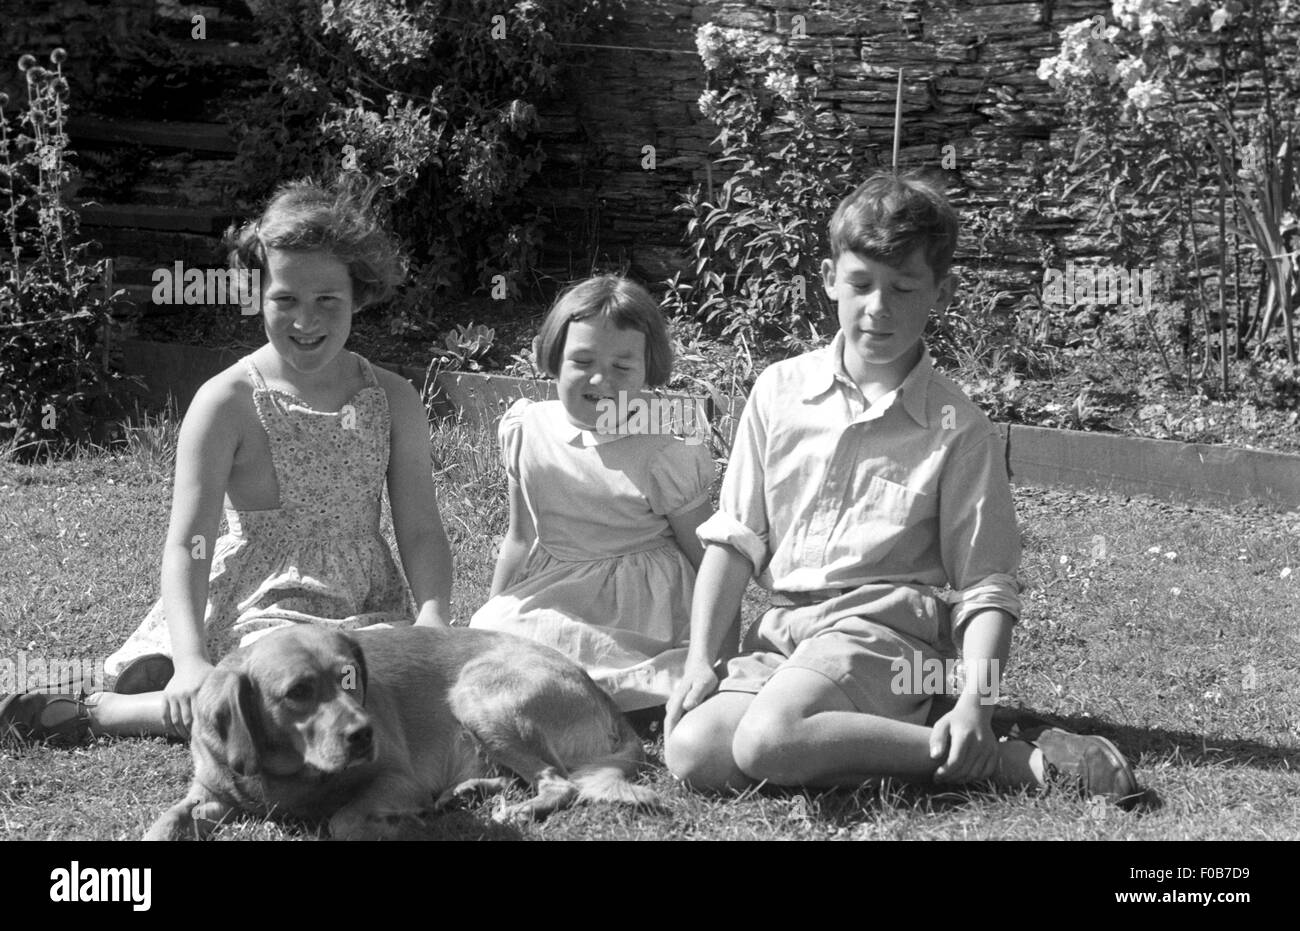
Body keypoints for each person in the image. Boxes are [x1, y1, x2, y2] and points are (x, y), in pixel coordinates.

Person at [663, 171, 1139, 805]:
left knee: (768, 741)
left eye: (903, 287)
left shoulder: (958, 429)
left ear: (939, 292)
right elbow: (733, 539)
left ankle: (1003, 758)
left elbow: (987, 587)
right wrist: (701, 661)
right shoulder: (778, 391)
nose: (877, 307)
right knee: (694, 753)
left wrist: (979, 703)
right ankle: (910, 739)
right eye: (860, 284)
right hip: (787, 633)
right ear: (830, 277)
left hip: (888, 638)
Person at [0, 177, 453, 742]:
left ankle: (176, 691)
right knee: (282, 703)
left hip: (364, 606)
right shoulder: (227, 401)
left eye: (326, 301)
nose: (305, 321)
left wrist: (433, 617)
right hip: (258, 604)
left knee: (390, 696)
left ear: (357, 295)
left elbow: (421, 530)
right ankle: (121, 707)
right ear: (255, 294)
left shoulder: (392, 398)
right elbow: (189, 542)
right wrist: (191, 658)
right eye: (284, 299)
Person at [469, 275, 716, 712]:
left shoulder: (662, 453)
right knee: (495, 636)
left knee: (602, 671)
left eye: (622, 367)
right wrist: (488, 623)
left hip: (641, 603)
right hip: (558, 584)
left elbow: (707, 557)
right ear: (554, 359)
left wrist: (715, 651)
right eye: (582, 360)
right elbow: (520, 538)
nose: (601, 379)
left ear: (648, 369)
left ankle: (628, 685)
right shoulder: (527, 428)